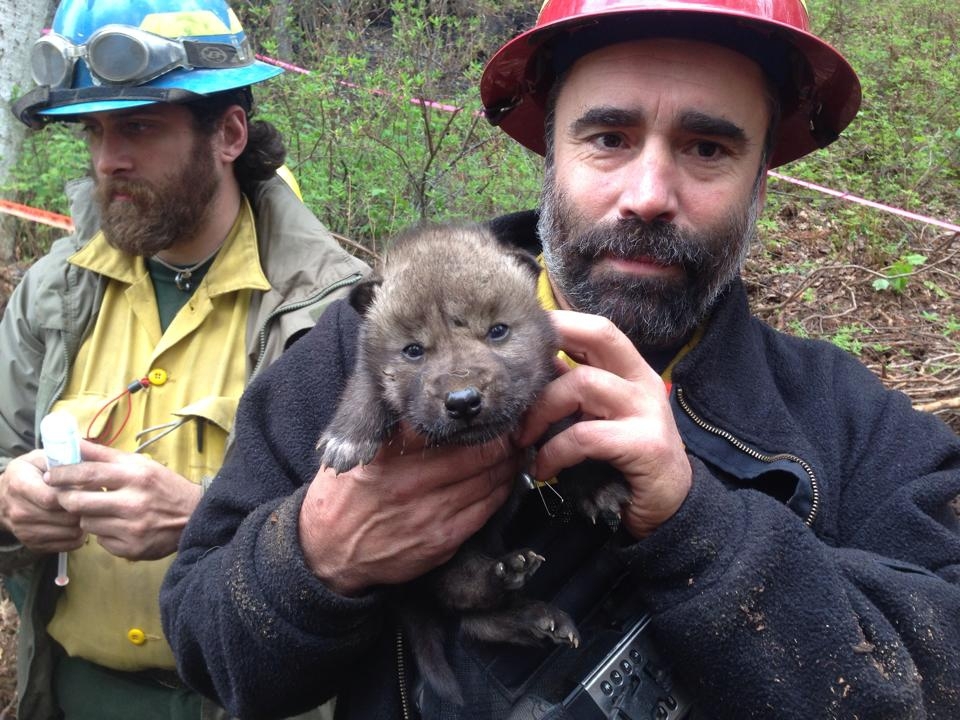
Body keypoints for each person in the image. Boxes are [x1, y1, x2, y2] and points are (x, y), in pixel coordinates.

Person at [160, 0, 960, 718]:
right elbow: (204, 641)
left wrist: (700, 527)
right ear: (550, 154)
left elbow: (936, 671)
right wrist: (316, 555)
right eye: (609, 137)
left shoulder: (848, 422)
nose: (649, 192)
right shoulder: (359, 348)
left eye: (708, 147)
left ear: (761, 181)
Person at [0, 0, 368, 718]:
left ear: (228, 134)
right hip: (67, 695)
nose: (109, 159)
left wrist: (206, 518)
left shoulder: (330, 315)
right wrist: (8, 503)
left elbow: (373, 532)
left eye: (138, 126)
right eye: (96, 130)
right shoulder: (54, 293)